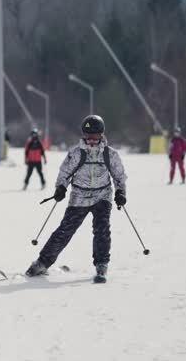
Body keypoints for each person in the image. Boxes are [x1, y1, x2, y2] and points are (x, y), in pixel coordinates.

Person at [26, 115, 127, 284]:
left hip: (102, 195)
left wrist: (121, 193)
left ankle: (101, 264)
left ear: (101, 134)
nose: (91, 140)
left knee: (101, 230)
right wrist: (61, 187)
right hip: (79, 196)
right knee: (65, 230)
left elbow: (119, 176)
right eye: (88, 135)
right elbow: (64, 173)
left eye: (94, 136)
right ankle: (42, 262)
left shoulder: (110, 154)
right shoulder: (76, 152)